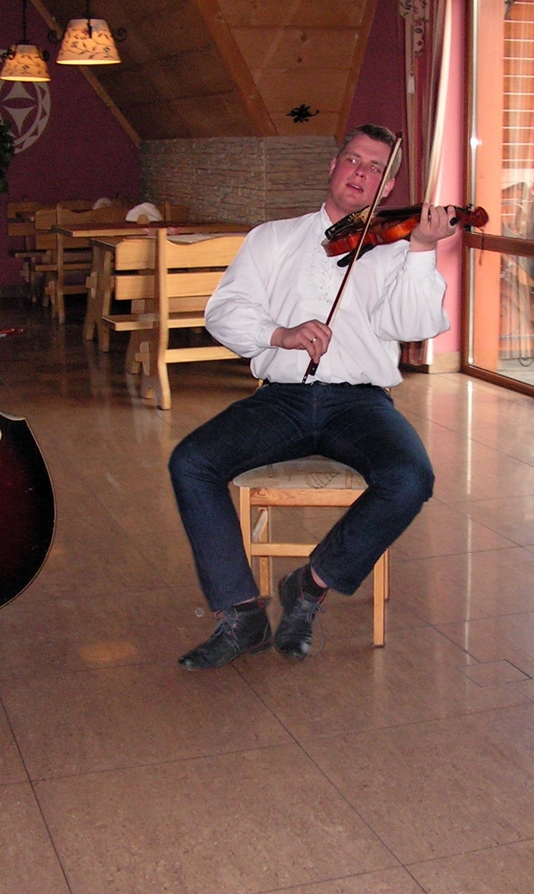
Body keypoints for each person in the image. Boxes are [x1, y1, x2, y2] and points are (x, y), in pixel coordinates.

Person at [169, 124, 455, 669]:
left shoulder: (398, 250)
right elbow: (223, 311)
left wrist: (422, 248)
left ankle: (311, 585)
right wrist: (278, 333)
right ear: (333, 166)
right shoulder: (273, 238)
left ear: (388, 188)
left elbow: (413, 324)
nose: (361, 173)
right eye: (354, 160)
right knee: (191, 462)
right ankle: (242, 613)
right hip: (282, 399)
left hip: (361, 403)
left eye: (376, 168)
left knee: (410, 478)